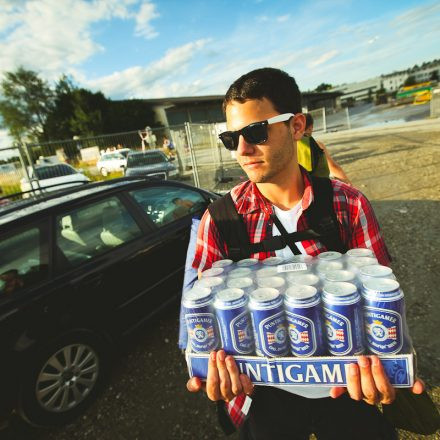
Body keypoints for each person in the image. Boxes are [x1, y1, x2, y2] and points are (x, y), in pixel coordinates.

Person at [186, 67, 424, 439]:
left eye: (255, 132)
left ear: (297, 127)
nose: (242, 150)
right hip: (263, 392)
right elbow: (205, 319)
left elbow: (382, 301)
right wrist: (211, 369)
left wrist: (387, 368)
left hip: (346, 387)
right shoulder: (218, 220)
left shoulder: (348, 204)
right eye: (231, 138)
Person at [297, 113, 352, 184]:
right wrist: (349, 184)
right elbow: (333, 167)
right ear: (310, 128)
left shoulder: (290, 144)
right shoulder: (317, 145)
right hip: (318, 186)